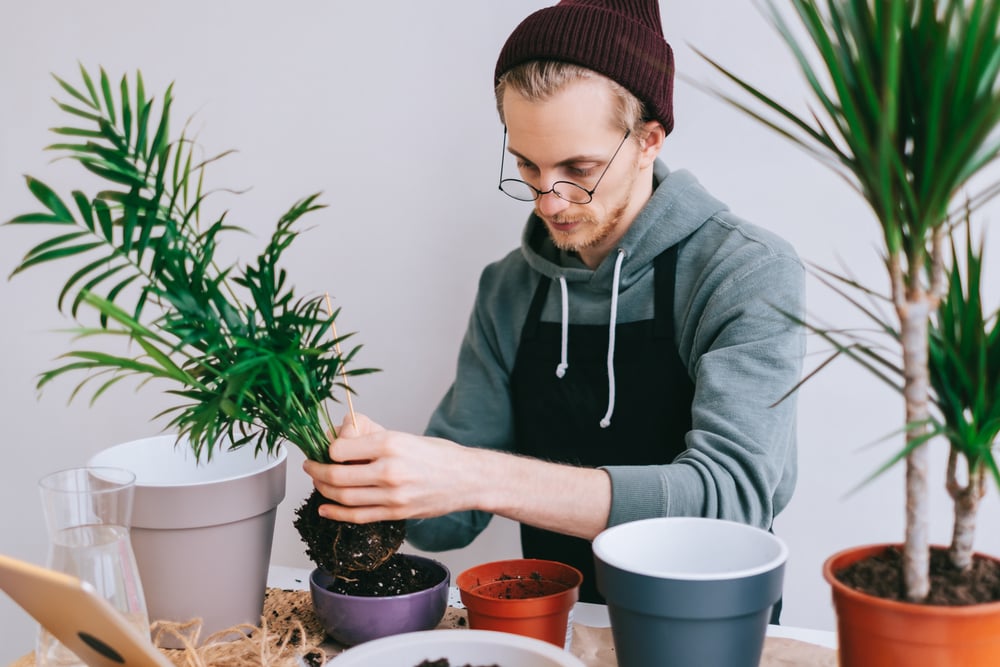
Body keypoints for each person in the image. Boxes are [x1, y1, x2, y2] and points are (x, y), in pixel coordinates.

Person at [304, 0, 805, 610]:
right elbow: (444, 526)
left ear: (648, 140)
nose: (549, 199)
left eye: (580, 167)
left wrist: (478, 475)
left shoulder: (744, 272)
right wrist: (387, 474)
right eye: (527, 165)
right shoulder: (509, 289)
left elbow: (732, 501)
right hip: (550, 623)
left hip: (708, 625)